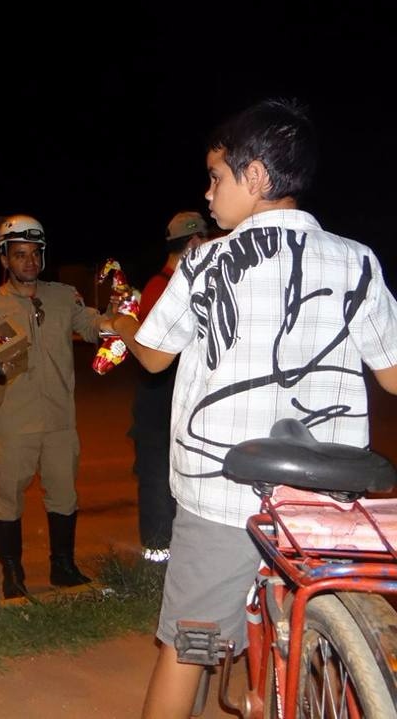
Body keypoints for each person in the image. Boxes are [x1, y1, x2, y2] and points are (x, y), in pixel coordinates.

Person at [99, 98, 397, 718]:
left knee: (190, 647)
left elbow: (153, 357)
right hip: (326, 502)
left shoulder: (203, 262)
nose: (208, 194)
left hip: (226, 496)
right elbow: (393, 376)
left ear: (256, 178)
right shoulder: (357, 260)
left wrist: (125, 322)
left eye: (216, 177)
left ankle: (221, 649)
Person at [0, 214, 105, 599]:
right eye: (19, 254)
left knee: (64, 493)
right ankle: (11, 573)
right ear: (4, 258)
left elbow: (95, 326)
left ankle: (62, 566)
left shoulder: (64, 296)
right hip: (13, 421)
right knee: (7, 496)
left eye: (34, 254)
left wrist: (120, 315)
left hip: (60, 418)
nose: (29, 262)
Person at [129, 211, 209, 562]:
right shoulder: (166, 287)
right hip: (159, 395)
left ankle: (177, 554)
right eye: (205, 240)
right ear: (193, 242)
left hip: (174, 394)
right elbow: (156, 353)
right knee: (158, 475)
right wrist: (120, 324)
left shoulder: (166, 284)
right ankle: (159, 555)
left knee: (177, 476)